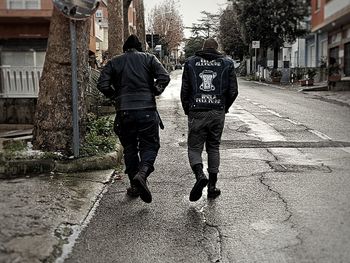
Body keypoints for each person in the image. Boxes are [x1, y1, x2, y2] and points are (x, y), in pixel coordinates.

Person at [97, 35, 170, 203]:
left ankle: (135, 186)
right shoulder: (149, 58)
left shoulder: (115, 62)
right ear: (139, 48)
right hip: (146, 110)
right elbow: (164, 77)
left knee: (130, 148)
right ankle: (142, 174)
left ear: (125, 49)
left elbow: (102, 84)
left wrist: (116, 96)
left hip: (124, 112)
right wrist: (155, 90)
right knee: (150, 145)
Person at [181, 38, 238, 202]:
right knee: (213, 147)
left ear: (203, 48)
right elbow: (233, 91)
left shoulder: (191, 62)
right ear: (217, 48)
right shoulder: (227, 63)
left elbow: (185, 90)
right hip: (217, 111)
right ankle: (212, 187)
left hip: (197, 110)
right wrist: (224, 107)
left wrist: (188, 109)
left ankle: (200, 175)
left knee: (194, 148)